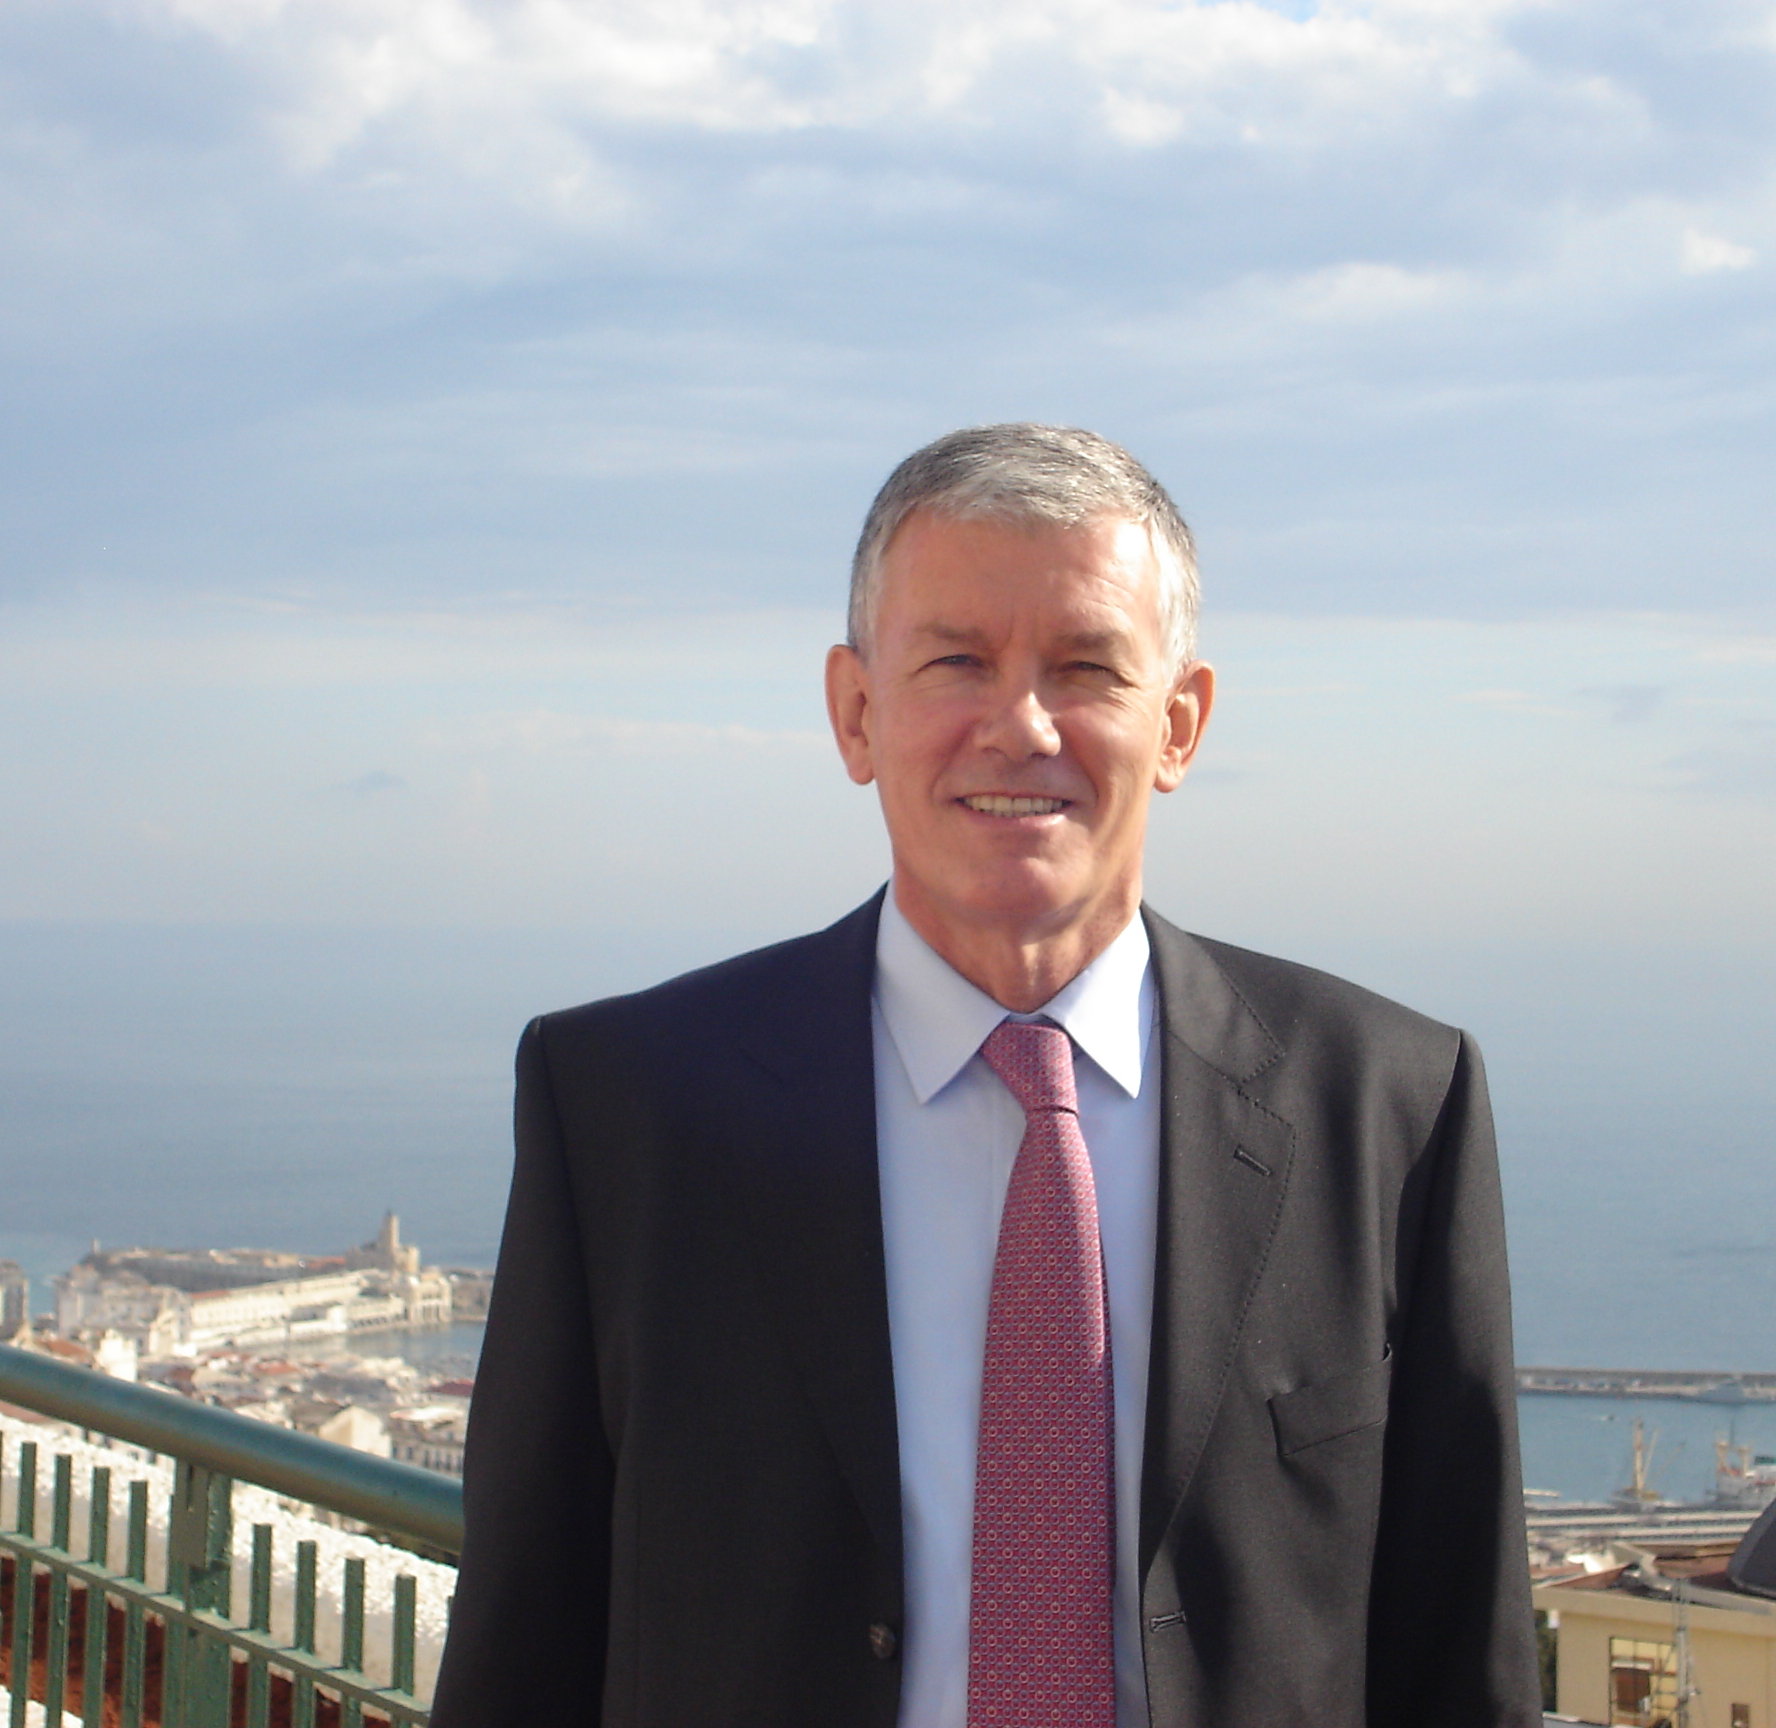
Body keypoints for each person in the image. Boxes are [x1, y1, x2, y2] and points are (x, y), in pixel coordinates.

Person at [428, 425, 1539, 1728]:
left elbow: (1460, 1651)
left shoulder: (1391, 1104)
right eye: (955, 660)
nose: (1020, 726)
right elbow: (525, 1638)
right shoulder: (625, 1107)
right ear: (856, 712)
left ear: (1178, 724)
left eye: (1087, 667)